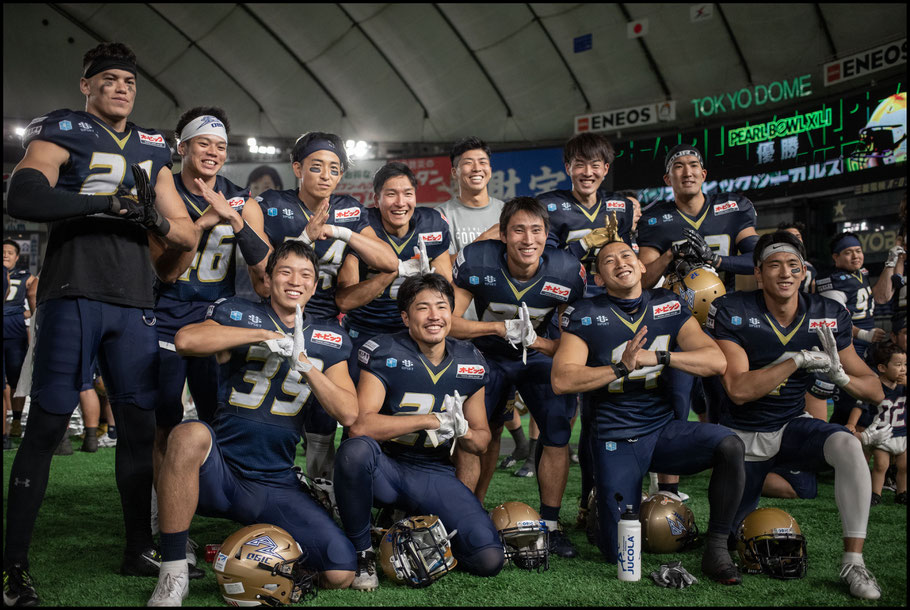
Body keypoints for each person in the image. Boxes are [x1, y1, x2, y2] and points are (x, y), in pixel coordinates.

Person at [3, 42, 196, 606]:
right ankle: (14, 568)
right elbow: (23, 191)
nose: (120, 87)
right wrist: (101, 204)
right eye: (107, 79)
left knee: (138, 430)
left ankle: (137, 547)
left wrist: (151, 214)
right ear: (85, 86)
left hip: (135, 300)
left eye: (128, 81)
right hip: (73, 292)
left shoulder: (152, 145)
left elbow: (183, 232)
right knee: (45, 427)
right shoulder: (62, 128)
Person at [146, 241, 360, 605]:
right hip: (221, 472)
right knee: (188, 434)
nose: (295, 281)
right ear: (269, 278)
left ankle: (256, 552)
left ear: (314, 285)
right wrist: (264, 336)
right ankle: (173, 572)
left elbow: (349, 413)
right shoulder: (238, 312)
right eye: (286, 271)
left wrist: (306, 364)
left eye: (305, 274)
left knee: (340, 572)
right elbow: (186, 339)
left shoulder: (329, 338)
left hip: (275, 481)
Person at [552, 239, 745, 584]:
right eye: (609, 260)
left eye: (627, 255)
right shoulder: (584, 313)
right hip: (616, 437)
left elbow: (716, 360)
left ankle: (717, 547)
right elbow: (562, 379)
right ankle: (604, 508)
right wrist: (619, 368)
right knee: (618, 550)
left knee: (729, 445)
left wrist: (661, 357)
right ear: (599, 276)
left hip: (662, 431)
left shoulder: (667, 304)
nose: (620, 263)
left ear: (642, 266)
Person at [708, 230, 887, 600]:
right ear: (758, 273)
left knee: (848, 446)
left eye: (793, 265)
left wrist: (841, 377)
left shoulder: (826, 313)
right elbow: (739, 391)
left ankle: (854, 561)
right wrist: (798, 360)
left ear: (804, 271)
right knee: (726, 539)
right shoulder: (735, 309)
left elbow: (875, 389)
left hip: (791, 425)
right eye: (774, 265)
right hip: (742, 435)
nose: (785, 273)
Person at [334, 273, 504, 591]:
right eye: (422, 308)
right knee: (354, 451)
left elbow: (481, 441)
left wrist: (462, 429)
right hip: (385, 467)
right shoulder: (385, 350)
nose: (434, 315)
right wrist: (429, 420)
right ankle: (361, 551)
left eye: (441, 306)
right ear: (406, 317)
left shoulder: (470, 361)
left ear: (451, 314)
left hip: (432, 472)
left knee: (488, 559)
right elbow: (360, 425)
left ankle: (410, 525)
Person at [449, 197, 587, 558]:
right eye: (519, 230)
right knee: (479, 433)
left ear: (547, 236)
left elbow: (576, 344)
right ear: (503, 235)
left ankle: (552, 525)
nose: (528, 239)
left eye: (536, 230)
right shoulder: (478, 259)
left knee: (557, 432)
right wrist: (495, 327)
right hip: (489, 354)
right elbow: (447, 321)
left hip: (537, 355)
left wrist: (538, 341)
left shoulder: (567, 271)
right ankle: (468, 515)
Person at [257, 131, 397, 480]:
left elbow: (388, 260)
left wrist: (340, 232)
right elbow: (260, 275)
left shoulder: (347, 210)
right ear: (297, 168)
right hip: (277, 315)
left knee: (324, 416)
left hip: (324, 320)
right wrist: (305, 236)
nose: (325, 175)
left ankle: (322, 489)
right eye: (316, 167)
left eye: (333, 169)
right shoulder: (271, 204)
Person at [152, 106, 270, 481]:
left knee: (218, 414)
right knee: (164, 418)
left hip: (214, 318)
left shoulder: (241, 200)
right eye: (204, 143)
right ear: (182, 146)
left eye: (220, 146)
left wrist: (235, 220)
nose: (213, 153)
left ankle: (219, 495)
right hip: (164, 315)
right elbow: (167, 272)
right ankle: (159, 513)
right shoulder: (161, 191)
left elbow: (264, 271)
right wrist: (202, 223)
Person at [336, 161, 452, 385]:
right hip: (365, 331)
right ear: (376, 199)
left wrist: (432, 280)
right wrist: (395, 270)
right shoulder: (363, 226)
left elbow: (446, 290)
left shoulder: (432, 225)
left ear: (416, 197)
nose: (400, 202)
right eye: (391, 194)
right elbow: (345, 300)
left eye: (408, 193)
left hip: (414, 333)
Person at [637, 144, 759, 291]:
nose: (687, 173)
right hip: (678, 309)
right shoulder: (655, 220)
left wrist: (716, 260)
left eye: (694, 165)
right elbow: (642, 282)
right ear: (667, 179)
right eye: (678, 166)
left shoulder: (732, 208)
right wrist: (670, 254)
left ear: (703, 175)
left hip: (725, 307)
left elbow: (759, 260)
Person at [817, 232, 887, 429]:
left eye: (858, 251)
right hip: (848, 346)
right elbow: (836, 321)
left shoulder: (860, 273)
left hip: (866, 347)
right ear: (836, 257)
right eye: (848, 252)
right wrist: (864, 334)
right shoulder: (831, 279)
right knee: (849, 403)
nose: (855, 256)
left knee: (868, 402)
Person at [854, 341, 906, 506]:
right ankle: (875, 493)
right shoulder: (875, 386)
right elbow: (860, 405)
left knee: (904, 466)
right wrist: (851, 423)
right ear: (883, 368)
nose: (903, 369)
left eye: (905, 364)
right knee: (880, 465)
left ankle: (902, 492)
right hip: (882, 434)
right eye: (898, 365)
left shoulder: (903, 387)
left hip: (902, 433)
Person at [2, 240, 37, 442]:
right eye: (3, 252)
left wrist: (26, 314)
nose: (5, 255)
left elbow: (36, 294)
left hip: (15, 331)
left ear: (17, 257)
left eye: (9, 252)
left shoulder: (26, 276)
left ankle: (15, 420)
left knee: (16, 379)